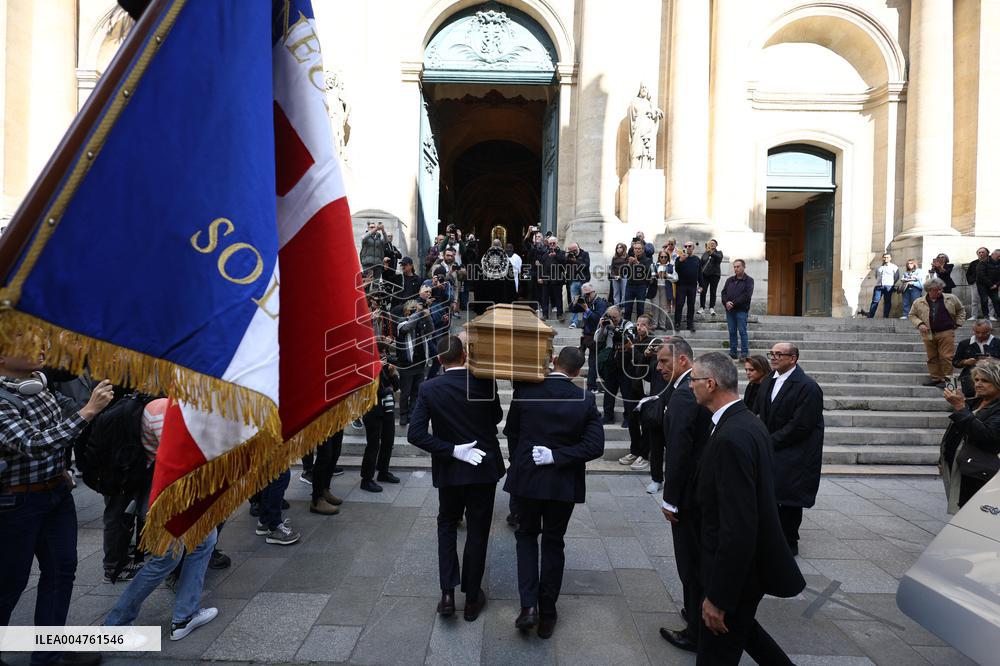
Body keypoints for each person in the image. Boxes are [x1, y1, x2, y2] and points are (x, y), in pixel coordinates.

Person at [683, 352, 805, 665]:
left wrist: (718, 598)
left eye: (693, 380)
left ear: (710, 384)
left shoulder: (732, 437)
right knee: (746, 631)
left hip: (734, 576)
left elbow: (737, 526)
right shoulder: (745, 422)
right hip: (744, 571)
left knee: (715, 654)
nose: (690, 387)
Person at [0, 346, 114, 666]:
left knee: (62, 572)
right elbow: (34, 443)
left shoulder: (38, 382)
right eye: (23, 339)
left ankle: (48, 653)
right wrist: (88, 411)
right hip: (15, 504)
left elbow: (71, 412)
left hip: (55, 495)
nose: (38, 346)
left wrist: (108, 380)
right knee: (10, 583)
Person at [504, 347, 604, 638]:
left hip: (528, 480)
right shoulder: (585, 400)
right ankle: (547, 611)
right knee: (553, 542)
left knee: (525, 537)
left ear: (554, 362)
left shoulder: (526, 391)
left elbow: (511, 432)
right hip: (562, 484)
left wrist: (522, 463)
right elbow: (594, 446)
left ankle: (528, 607)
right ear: (578, 372)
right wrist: (558, 457)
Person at [105, 398, 219, 642]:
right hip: (170, 495)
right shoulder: (165, 411)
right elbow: (182, 458)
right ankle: (117, 624)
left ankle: (185, 615)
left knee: (203, 542)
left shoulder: (174, 407)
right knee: (166, 558)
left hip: (175, 493)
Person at [407, 335, 503, 622]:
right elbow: (496, 416)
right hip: (483, 468)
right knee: (477, 530)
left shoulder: (429, 388)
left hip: (450, 469)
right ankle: (471, 598)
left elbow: (416, 434)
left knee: (447, 525)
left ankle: (447, 594)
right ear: (464, 357)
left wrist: (451, 450)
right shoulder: (485, 382)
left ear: (439, 360)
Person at [655, 337, 712, 654]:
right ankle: (695, 613)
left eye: (665, 361)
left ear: (683, 361)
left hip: (688, 495)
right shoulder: (686, 392)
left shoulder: (683, 396)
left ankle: (695, 630)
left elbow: (678, 451)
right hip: (697, 489)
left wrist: (670, 498)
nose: (659, 366)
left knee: (690, 564)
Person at [755, 342, 824, 556]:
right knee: (770, 494)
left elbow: (801, 425)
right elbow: (759, 411)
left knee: (790, 499)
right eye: (771, 354)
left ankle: (789, 541)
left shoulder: (808, 386)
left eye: (779, 354)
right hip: (772, 447)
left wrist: (769, 440)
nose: (773, 358)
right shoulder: (768, 380)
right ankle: (771, 537)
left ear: (793, 358)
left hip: (796, 451)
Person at [940, 359, 1000, 514]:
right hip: (961, 466)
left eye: (985, 381)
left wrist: (960, 407)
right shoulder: (976, 402)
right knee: (958, 506)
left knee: (969, 510)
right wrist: (943, 458)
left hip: (979, 471)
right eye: (977, 379)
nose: (978, 384)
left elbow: (987, 435)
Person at [909, 277, 967, 388]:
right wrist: (920, 324)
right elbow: (912, 315)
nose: (940, 291)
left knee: (946, 357)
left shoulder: (951, 298)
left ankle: (950, 382)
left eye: (941, 289)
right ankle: (936, 379)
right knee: (932, 357)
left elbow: (961, 310)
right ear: (929, 290)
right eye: (936, 289)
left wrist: (958, 323)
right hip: (928, 333)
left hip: (946, 331)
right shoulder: (918, 301)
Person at [359, 346, 401, 493]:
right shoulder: (366, 368)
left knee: (388, 441)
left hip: (387, 410)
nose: (384, 358)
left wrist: (391, 373)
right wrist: (377, 369)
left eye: (385, 355)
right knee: (373, 445)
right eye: (381, 355)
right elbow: (373, 390)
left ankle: (383, 472)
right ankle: (366, 479)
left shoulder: (384, 368)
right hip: (372, 411)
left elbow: (396, 387)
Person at [617, 315, 654, 471]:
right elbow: (626, 363)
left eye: (643, 325)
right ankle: (635, 451)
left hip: (646, 388)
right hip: (633, 386)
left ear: (650, 327)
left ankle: (644, 455)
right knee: (632, 421)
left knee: (645, 423)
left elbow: (643, 363)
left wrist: (632, 349)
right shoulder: (634, 340)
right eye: (638, 324)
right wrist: (623, 349)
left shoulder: (653, 343)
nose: (639, 327)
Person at [595, 306, 637, 426]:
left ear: (620, 315)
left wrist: (616, 328)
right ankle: (608, 416)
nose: (612, 319)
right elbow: (597, 339)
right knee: (609, 390)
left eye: (615, 317)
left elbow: (630, 338)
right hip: (610, 362)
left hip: (624, 361)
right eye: (610, 317)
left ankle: (628, 418)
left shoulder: (628, 324)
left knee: (626, 391)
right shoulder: (606, 324)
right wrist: (602, 327)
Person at [395, 298, 434, 426]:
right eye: (413, 309)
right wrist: (417, 314)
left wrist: (427, 317)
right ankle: (403, 415)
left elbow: (431, 330)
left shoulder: (420, 321)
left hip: (420, 362)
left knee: (416, 391)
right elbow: (407, 328)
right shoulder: (401, 321)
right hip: (406, 364)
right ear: (407, 311)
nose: (416, 312)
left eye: (416, 309)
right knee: (405, 392)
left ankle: (412, 415)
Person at [568, 283, 608, 392]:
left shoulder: (601, 303)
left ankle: (591, 387)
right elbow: (572, 309)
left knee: (593, 362)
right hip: (586, 336)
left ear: (593, 291)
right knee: (577, 358)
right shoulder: (586, 301)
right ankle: (569, 379)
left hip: (596, 337)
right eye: (585, 294)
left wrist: (587, 310)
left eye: (588, 294)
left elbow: (598, 319)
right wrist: (575, 302)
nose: (586, 296)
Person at [953, 320, 1000, 397]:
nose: (980, 335)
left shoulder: (998, 343)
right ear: (973, 330)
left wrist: (993, 361)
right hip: (970, 380)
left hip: (994, 379)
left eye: (985, 333)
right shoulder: (964, 344)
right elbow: (955, 362)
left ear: (990, 330)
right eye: (977, 332)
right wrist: (965, 362)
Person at [720, 259, 754, 360]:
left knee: (742, 331)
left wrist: (733, 304)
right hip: (730, 311)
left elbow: (747, 296)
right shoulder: (730, 280)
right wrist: (726, 302)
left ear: (744, 267)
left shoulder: (749, 280)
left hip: (741, 310)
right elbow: (723, 293)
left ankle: (744, 352)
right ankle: (733, 352)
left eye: (738, 266)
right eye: (734, 267)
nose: (736, 269)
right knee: (732, 331)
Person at [628, 82, 664, 169]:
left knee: (647, 151)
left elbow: (656, 114)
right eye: (642, 87)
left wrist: (657, 113)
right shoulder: (634, 102)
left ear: (648, 90)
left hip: (648, 129)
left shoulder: (650, 103)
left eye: (645, 88)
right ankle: (635, 167)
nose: (644, 89)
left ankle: (646, 166)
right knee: (637, 150)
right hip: (638, 127)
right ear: (639, 90)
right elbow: (631, 116)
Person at [308, 430, 344, 515]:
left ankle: (325, 490)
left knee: (336, 451)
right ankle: (317, 499)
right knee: (325, 455)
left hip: (336, 418)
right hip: (321, 420)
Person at [622, 240, 654, 321]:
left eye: (639, 249)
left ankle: (639, 327)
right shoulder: (629, 259)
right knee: (628, 308)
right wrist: (629, 264)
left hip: (641, 286)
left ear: (643, 250)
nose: (637, 250)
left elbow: (647, 271)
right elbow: (623, 272)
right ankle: (626, 327)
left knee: (640, 309)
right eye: (635, 248)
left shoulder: (647, 260)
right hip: (630, 286)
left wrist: (637, 263)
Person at [674, 242, 701, 333]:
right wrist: (681, 261)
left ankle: (690, 324)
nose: (687, 247)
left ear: (693, 248)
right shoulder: (679, 258)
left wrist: (701, 285)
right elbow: (675, 269)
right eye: (685, 246)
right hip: (681, 285)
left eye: (690, 246)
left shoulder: (697, 259)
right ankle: (677, 323)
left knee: (691, 305)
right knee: (679, 304)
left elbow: (700, 273)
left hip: (692, 286)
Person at [539, 236, 566, 322]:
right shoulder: (545, 254)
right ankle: (545, 314)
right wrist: (540, 277)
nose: (552, 245)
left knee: (558, 298)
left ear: (557, 243)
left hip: (557, 280)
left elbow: (564, 264)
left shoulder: (561, 253)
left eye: (553, 243)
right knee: (545, 298)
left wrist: (555, 256)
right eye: (550, 243)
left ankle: (560, 315)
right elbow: (541, 267)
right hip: (546, 280)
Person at [564, 242, 590, 329]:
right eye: (571, 251)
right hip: (574, 281)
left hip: (583, 281)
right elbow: (565, 267)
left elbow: (586, 265)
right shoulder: (569, 256)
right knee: (574, 302)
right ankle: (574, 322)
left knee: (584, 302)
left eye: (575, 250)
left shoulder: (585, 254)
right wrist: (567, 258)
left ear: (578, 247)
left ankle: (585, 322)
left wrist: (576, 261)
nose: (574, 252)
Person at [970, 247, 1000, 320]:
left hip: (994, 285)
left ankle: (997, 315)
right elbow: (981, 275)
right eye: (998, 256)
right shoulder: (983, 262)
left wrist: (996, 285)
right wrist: (991, 285)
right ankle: (986, 316)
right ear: (993, 254)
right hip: (982, 285)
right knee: (984, 300)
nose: (999, 257)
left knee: (996, 300)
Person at [867, 252, 899, 319]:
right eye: (884, 257)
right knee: (875, 301)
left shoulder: (894, 267)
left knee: (887, 301)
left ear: (890, 258)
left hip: (888, 286)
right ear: (882, 258)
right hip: (879, 286)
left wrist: (891, 283)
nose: (886, 259)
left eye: (887, 257)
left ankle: (885, 316)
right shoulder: (879, 267)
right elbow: (876, 276)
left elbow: (896, 277)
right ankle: (870, 316)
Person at [698, 239, 724, 316]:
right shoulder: (705, 254)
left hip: (714, 275)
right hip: (705, 275)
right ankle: (702, 307)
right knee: (703, 291)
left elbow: (718, 259)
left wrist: (710, 252)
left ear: (716, 245)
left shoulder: (719, 253)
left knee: (713, 291)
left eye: (713, 243)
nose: (712, 244)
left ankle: (711, 307)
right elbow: (701, 264)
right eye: (710, 243)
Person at [652, 249, 677, 329]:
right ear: (659, 257)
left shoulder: (671, 266)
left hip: (665, 288)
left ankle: (662, 324)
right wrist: (655, 274)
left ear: (668, 258)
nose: (663, 258)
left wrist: (668, 276)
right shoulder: (654, 265)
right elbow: (648, 275)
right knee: (655, 306)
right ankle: (654, 324)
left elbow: (676, 278)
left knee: (663, 307)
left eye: (665, 257)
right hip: (656, 287)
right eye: (661, 257)